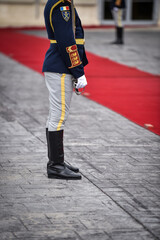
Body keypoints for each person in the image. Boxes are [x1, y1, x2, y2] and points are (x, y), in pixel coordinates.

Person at [42, 0, 88, 180]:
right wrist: (78, 71)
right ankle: (56, 165)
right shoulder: (62, 5)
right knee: (59, 116)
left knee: (55, 115)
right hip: (61, 66)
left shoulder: (61, 2)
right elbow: (67, 41)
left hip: (59, 66)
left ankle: (56, 160)